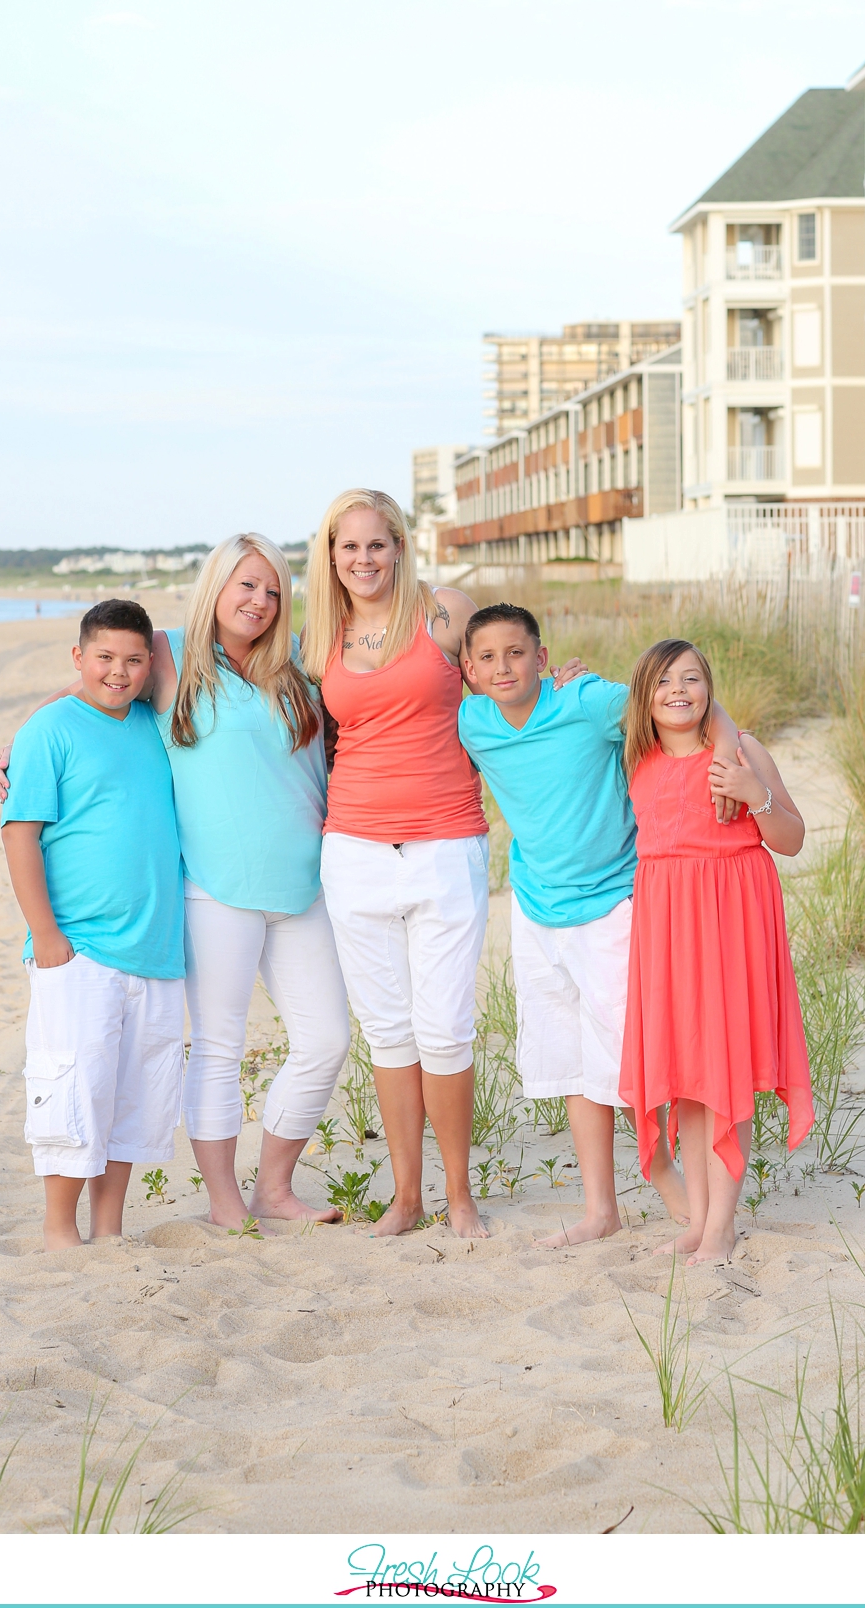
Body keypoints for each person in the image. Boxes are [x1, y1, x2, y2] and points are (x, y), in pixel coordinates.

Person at [0, 533, 351, 1232]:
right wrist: (20, 737)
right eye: (246, 585)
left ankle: (274, 1187)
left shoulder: (302, 665)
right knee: (219, 1044)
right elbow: (97, 684)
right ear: (216, 585)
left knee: (327, 1039)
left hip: (302, 885)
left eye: (274, 589)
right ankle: (223, 1205)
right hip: (214, 884)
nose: (260, 601)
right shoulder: (172, 653)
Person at [300, 490, 586, 1241]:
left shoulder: (443, 614)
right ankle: (406, 1196)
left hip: (446, 843)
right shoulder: (319, 638)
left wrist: (559, 686)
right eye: (347, 547)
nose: (363, 560)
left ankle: (459, 1194)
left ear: (399, 546)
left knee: (445, 1031)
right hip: (354, 849)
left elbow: (508, 669)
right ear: (329, 556)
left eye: (376, 544)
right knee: (388, 1033)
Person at [458, 603, 742, 1248]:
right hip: (534, 907)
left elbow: (679, 704)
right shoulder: (471, 719)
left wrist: (726, 760)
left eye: (517, 653)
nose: (503, 667)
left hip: (616, 899)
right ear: (469, 672)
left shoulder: (585, 700)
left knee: (636, 1052)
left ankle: (664, 1166)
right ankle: (599, 1210)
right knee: (570, 1061)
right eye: (487, 658)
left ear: (543, 658)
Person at [619, 638, 813, 1267]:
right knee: (687, 1076)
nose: (679, 690)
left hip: (731, 920)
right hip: (668, 926)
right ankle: (699, 1220)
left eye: (693, 678)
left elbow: (791, 838)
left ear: (711, 689)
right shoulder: (636, 757)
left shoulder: (737, 751)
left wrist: (752, 790)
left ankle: (722, 1226)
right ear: (644, 697)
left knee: (724, 1070)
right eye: (664, 681)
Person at [0, 599, 185, 1252]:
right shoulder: (50, 729)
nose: (119, 672)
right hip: (81, 946)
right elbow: (20, 833)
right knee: (74, 1088)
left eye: (134, 660)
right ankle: (59, 1230)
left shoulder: (153, 724)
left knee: (133, 1098)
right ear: (77, 658)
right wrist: (46, 935)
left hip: (156, 948)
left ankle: (110, 1228)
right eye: (104, 657)